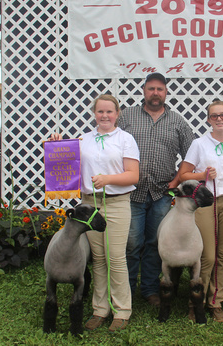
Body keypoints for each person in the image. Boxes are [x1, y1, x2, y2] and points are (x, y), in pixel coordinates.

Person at [50, 94, 139, 332]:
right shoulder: (84, 140)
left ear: (117, 114)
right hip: (89, 204)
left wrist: (108, 179)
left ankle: (122, 311)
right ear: (94, 113)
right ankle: (100, 309)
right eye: (100, 111)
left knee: (116, 257)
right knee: (98, 259)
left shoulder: (126, 139)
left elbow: (133, 175)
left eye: (109, 111)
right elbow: (63, 165)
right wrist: (56, 145)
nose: (105, 116)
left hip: (117, 203)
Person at [119, 73, 195, 307]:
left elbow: (191, 155)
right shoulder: (127, 117)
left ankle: (150, 290)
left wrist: (176, 180)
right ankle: (127, 290)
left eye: (159, 89)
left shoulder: (177, 121)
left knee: (154, 243)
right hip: (133, 192)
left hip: (162, 193)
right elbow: (109, 142)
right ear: (144, 91)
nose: (155, 93)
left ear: (166, 92)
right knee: (131, 244)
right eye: (151, 89)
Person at [178, 100, 223, 322]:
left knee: (222, 254)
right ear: (208, 119)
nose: (219, 119)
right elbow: (184, 175)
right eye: (214, 116)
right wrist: (202, 176)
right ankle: (195, 301)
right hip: (205, 202)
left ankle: (216, 301)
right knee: (207, 255)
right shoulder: (199, 144)